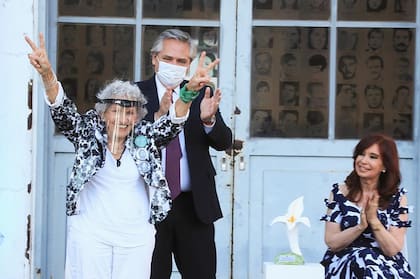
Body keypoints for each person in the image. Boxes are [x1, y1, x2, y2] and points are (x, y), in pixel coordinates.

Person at [25, 32, 213, 279]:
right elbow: (62, 112)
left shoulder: (145, 139)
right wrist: (47, 75)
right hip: (91, 236)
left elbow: (173, 121)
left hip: (135, 239)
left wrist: (188, 91)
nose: (122, 119)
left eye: (129, 112)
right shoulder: (87, 136)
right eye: (115, 110)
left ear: (137, 116)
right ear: (103, 113)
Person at [135, 29, 232, 279]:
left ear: (189, 64)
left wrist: (209, 121)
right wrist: (158, 118)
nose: (174, 66)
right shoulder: (134, 95)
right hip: (147, 204)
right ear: (154, 59)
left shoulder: (202, 93)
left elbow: (224, 142)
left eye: (181, 61)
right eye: (168, 59)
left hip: (193, 205)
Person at [320, 133, 416, 278]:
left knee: (370, 264)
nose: (363, 161)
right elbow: (332, 242)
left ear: (385, 165)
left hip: (386, 265)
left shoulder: (397, 198)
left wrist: (374, 221)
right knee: (364, 258)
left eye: (372, 157)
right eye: (361, 154)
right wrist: (360, 227)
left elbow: (393, 250)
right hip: (344, 262)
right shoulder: (339, 193)